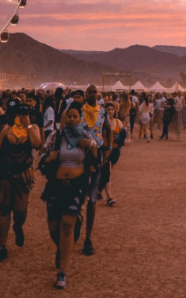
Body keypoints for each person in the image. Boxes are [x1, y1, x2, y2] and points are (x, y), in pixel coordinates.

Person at [38, 104, 99, 289]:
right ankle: (62, 248)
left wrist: (91, 145)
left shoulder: (86, 136)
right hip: (56, 186)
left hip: (77, 186)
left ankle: (62, 272)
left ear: (79, 118)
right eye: (68, 117)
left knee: (66, 226)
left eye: (74, 116)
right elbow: (41, 157)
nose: (71, 119)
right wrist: (48, 159)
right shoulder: (55, 136)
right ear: (62, 119)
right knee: (54, 229)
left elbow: (97, 160)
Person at [0, 103, 42, 262]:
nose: (21, 117)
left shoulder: (33, 129)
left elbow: (36, 144)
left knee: (20, 211)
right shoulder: (6, 130)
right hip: (5, 173)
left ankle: (18, 226)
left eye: (24, 114)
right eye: (19, 114)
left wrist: (28, 126)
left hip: (23, 174)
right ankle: (2, 246)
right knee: (3, 209)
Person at [79, 85, 111, 256]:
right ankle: (76, 220)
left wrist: (109, 147)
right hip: (79, 156)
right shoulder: (79, 111)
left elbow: (108, 128)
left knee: (92, 199)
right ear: (86, 94)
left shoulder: (103, 112)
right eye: (89, 92)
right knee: (78, 195)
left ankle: (88, 238)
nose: (92, 94)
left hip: (96, 156)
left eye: (94, 92)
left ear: (98, 94)